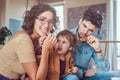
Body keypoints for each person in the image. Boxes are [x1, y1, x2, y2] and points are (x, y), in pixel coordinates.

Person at [0, 3, 58, 80]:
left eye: (50, 21)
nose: (47, 25)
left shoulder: (36, 39)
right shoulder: (24, 40)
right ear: (33, 19)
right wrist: (45, 50)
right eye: (42, 19)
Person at [68, 7, 120, 80]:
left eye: (90, 30)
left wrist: (97, 49)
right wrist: (83, 72)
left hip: (85, 76)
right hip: (70, 74)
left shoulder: (91, 43)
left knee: (108, 76)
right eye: (84, 26)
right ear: (80, 21)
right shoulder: (66, 36)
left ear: (94, 31)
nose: (85, 32)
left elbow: (105, 69)